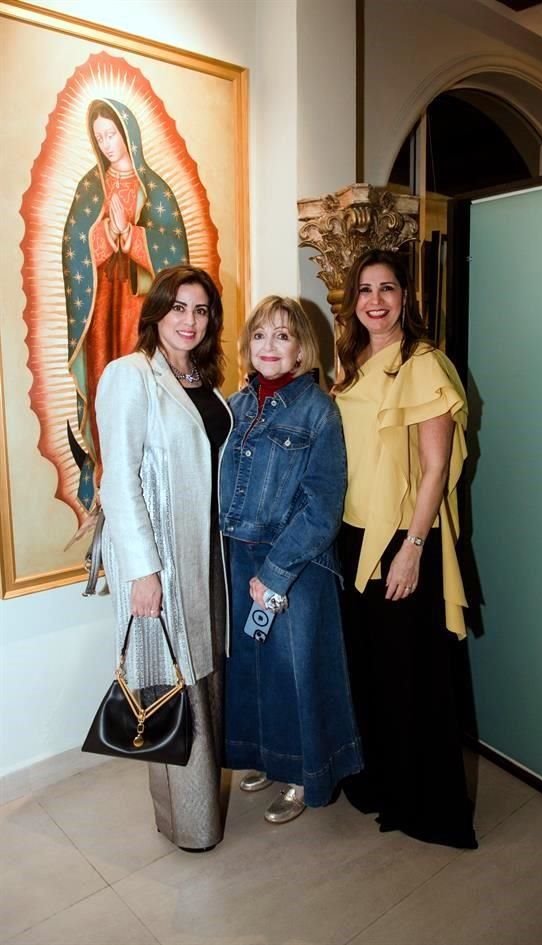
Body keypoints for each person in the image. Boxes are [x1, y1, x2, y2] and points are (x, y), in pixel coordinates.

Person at [333, 248, 477, 849]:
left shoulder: (423, 364)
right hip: (352, 535)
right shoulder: (352, 363)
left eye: (387, 289)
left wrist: (414, 548)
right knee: (366, 672)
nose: (375, 301)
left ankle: (423, 804)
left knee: (409, 676)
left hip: (401, 537)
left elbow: (437, 466)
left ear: (405, 298)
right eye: (364, 290)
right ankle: (377, 781)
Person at [95, 265, 231, 852]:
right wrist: (142, 570)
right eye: (179, 307)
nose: (190, 320)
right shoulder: (130, 376)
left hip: (210, 555)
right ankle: (190, 824)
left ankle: (203, 808)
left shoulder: (204, 380)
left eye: (201, 310)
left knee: (207, 677)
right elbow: (119, 479)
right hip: (166, 560)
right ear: (156, 312)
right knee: (174, 686)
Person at [220, 296, 362, 824]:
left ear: (302, 347)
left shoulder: (317, 408)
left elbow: (324, 503)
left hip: (294, 563)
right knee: (256, 672)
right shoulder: (235, 406)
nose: (270, 346)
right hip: (238, 557)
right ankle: (270, 759)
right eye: (260, 335)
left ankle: (306, 775)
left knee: (298, 671)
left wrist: (276, 573)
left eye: (282, 336)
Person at [65, 98, 189, 512]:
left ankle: (149, 478)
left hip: (143, 311)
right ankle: (108, 478)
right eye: (99, 137)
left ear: (128, 134)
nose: (106, 143)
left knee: (147, 388)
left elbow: (176, 254)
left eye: (111, 133)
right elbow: (72, 247)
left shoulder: (156, 190)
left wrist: (132, 235)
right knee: (107, 383)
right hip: (103, 309)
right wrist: (105, 234)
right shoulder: (90, 187)